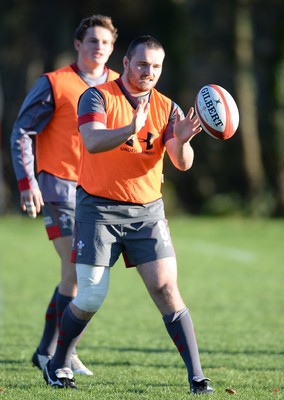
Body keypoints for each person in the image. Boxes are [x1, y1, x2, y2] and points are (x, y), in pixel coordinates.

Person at [43, 35, 214, 395]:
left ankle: (197, 378)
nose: (148, 72)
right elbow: (91, 140)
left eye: (155, 66)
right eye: (142, 64)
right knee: (90, 297)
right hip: (98, 209)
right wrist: (129, 130)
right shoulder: (98, 96)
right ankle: (58, 363)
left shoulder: (167, 107)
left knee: (167, 288)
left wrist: (182, 142)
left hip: (147, 212)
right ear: (126, 63)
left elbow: (181, 164)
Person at [10, 14, 119, 376]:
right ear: (78, 44)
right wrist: (28, 184)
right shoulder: (55, 83)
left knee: (83, 275)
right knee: (75, 269)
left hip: (97, 193)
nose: (99, 47)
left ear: (113, 47)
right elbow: (22, 132)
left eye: (105, 42)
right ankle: (59, 353)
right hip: (57, 187)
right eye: (92, 40)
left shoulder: (119, 87)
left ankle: (49, 350)